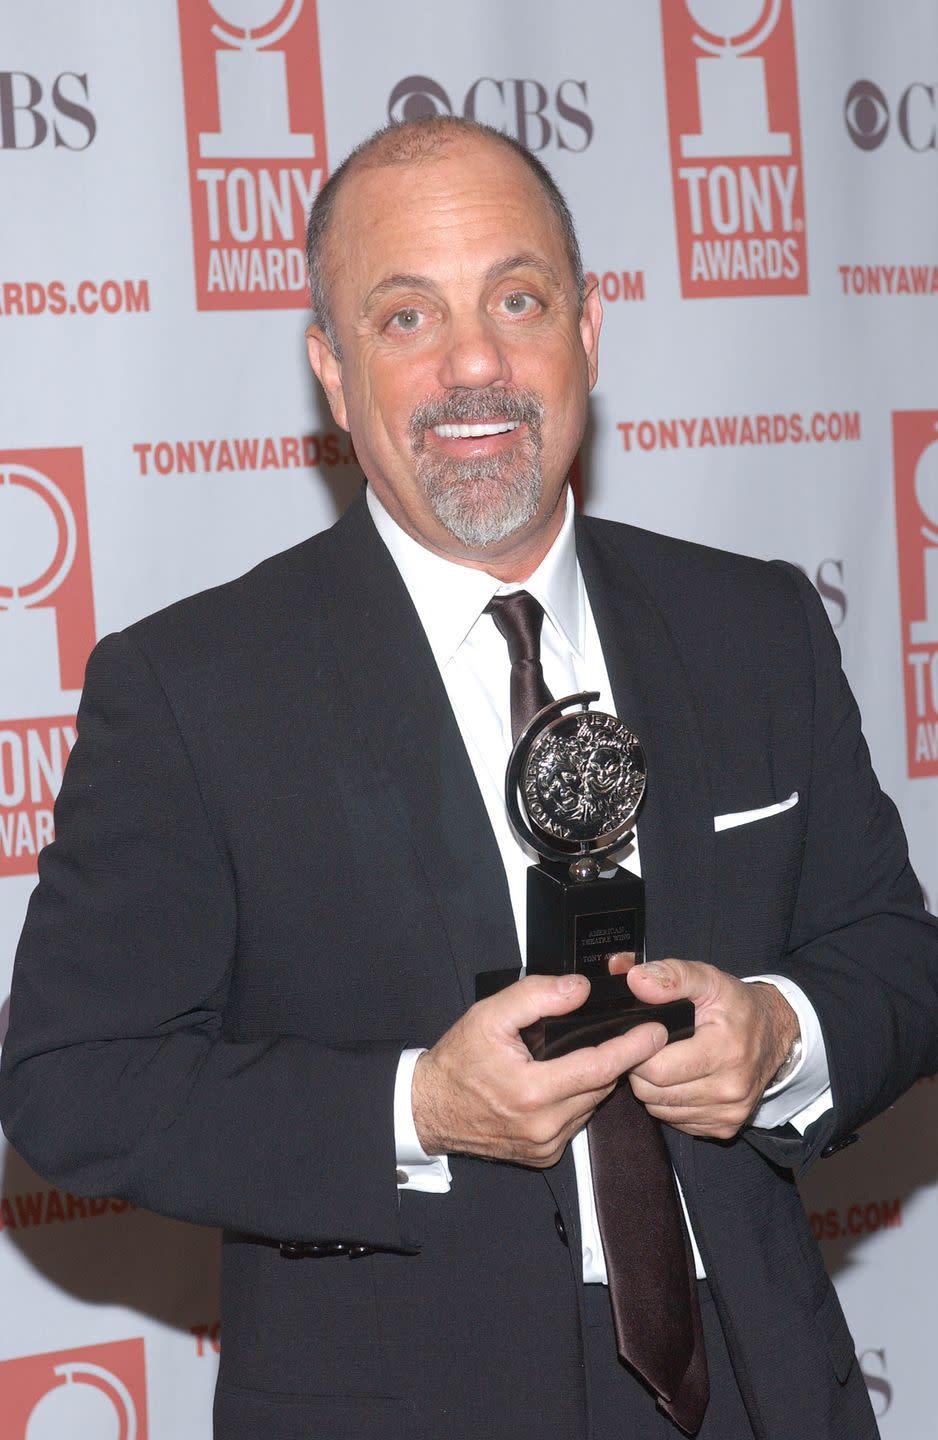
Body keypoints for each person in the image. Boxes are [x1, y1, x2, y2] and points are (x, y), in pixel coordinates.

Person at [2, 115, 937, 1440]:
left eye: (516, 298)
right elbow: (71, 1083)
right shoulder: (191, 688)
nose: (476, 365)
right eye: (404, 318)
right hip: (405, 1396)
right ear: (331, 370)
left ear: (588, 329)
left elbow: (894, 956)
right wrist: (416, 1108)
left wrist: (785, 1032)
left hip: (759, 1383)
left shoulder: (753, 623)